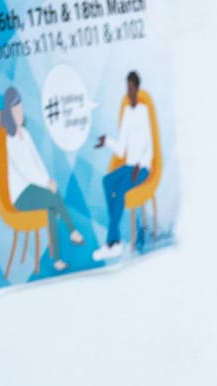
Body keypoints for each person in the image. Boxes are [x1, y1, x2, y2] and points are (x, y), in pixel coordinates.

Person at [0, 87, 83, 271]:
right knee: (53, 197)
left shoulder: (25, 134)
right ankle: (73, 231)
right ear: (8, 113)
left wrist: (48, 180)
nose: (19, 114)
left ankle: (57, 259)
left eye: (20, 109)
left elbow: (37, 162)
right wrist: (46, 183)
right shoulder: (10, 140)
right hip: (20, 195)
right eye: (15, 110)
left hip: (35, 187)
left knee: (51, 207)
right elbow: (25, 170)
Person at [92, 69, 156, 256]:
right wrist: (107, 142)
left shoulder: (144, 112)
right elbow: (122, 148)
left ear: (137, 88)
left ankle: (111, 242)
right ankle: (116, 239)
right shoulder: (127, 113)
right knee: (107, 181)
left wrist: (140, 164)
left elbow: (150, 147)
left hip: (142, 168)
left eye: (131, 88)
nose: (129, 92)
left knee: (119, 191)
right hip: (129, 166)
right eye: (127, 88)